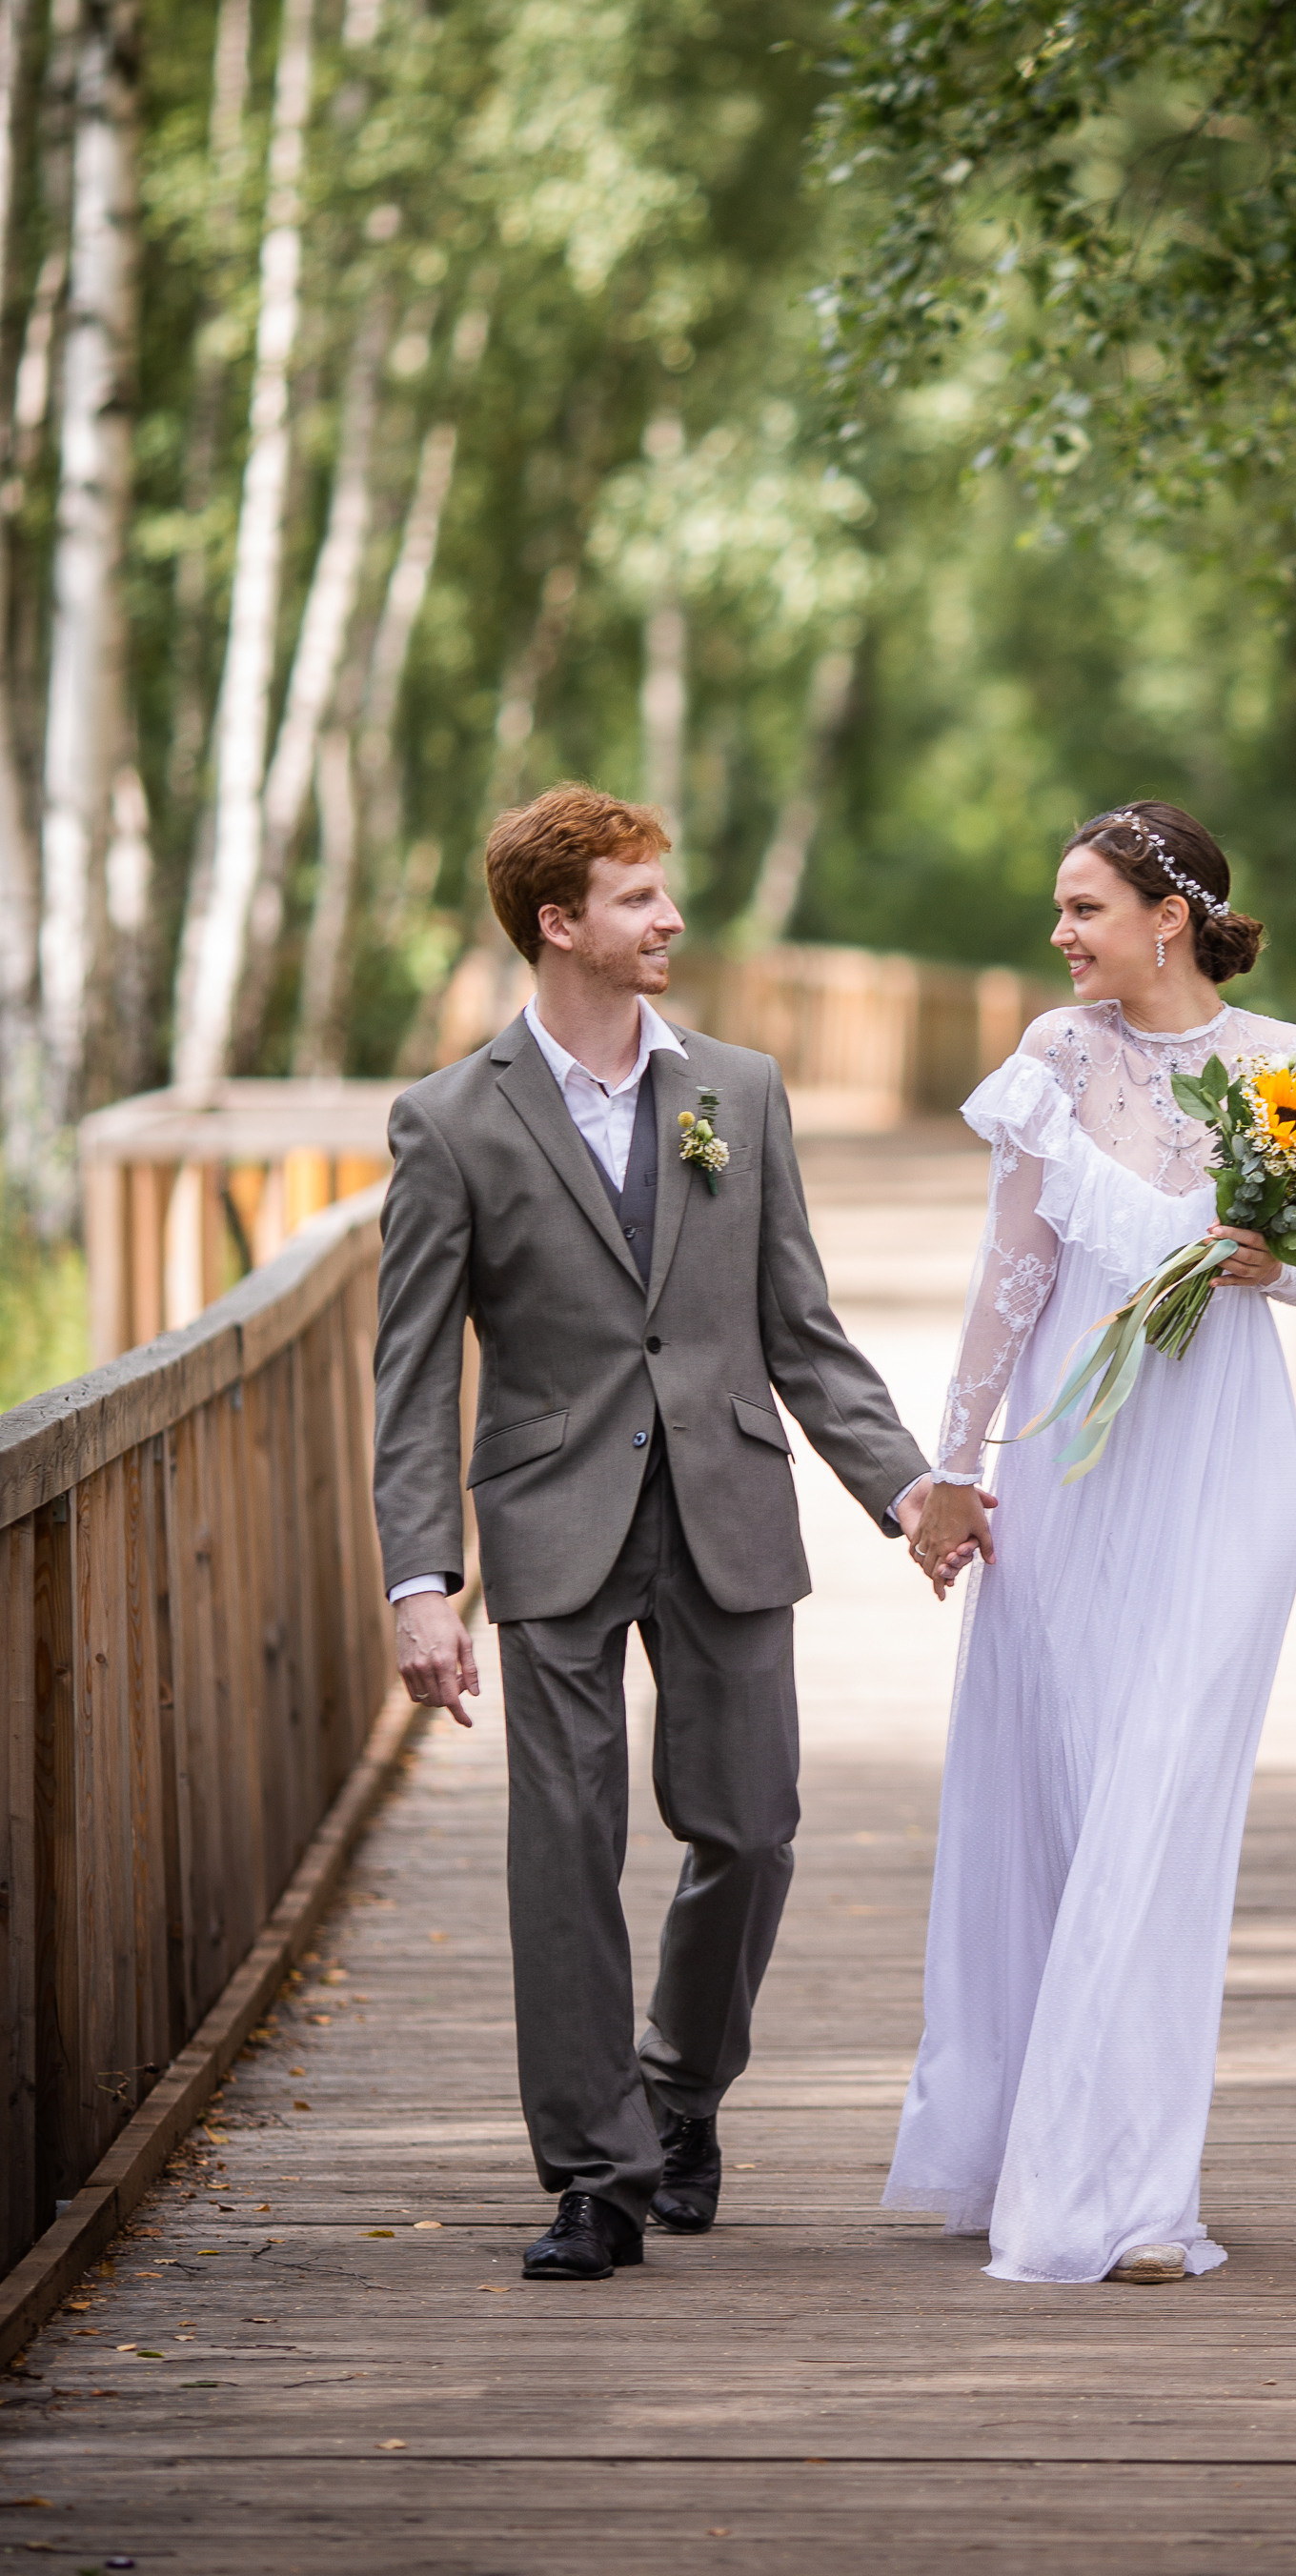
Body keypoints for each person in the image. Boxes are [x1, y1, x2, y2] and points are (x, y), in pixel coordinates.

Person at [372, 784, 967, 2282]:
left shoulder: (738, 1094)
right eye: (638, 897)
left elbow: (801, 1329)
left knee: (750, 1831)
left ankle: (680, 2092)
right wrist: (421, 1579)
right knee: (564, 1849)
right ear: (559, 923)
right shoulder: (449, 1121)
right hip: (551, 1518)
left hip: (728, 1509)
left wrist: (906, 1489)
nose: (671, 919)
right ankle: (595, 2177)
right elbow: (413, 1372)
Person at [886, 801, 1296, 2285]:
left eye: (1085, 907)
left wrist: (1276, 1261)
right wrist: (954, 1468)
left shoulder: (1287, 1065)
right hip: (1073, 1465)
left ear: (1171, 917)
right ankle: (1035, 2139)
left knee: (1162, 1805)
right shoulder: (1055, 1058)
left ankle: (1133, 2196)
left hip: (1225, 1469)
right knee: (1061, 1799)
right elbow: (1011, 1269)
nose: (1062, 933)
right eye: (1061, 908)